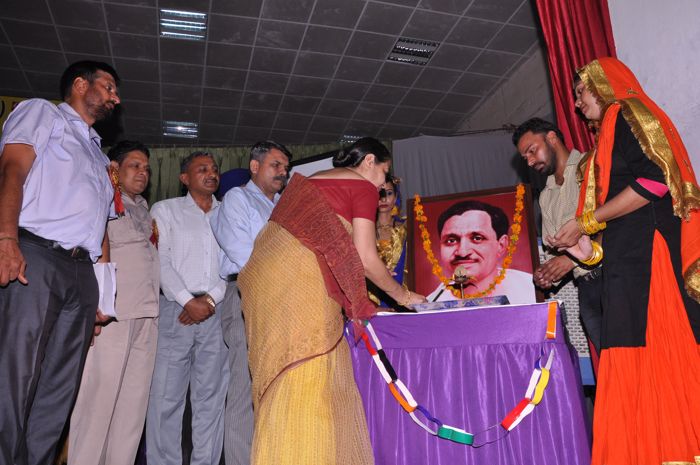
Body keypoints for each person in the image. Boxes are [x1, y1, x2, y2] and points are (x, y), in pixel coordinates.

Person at [548, 57, 700, 465]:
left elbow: (654, 180)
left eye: (581, 92)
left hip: (650, 263)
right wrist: (582, 249)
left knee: (657, 352)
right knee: (631, 355)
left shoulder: (627, 113)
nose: (577, 103)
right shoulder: (604, 141)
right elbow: (612, 229)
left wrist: (586, 222)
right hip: (626, 264)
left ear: (602, 84)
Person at [237, 137, 425, 465]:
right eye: (384, 173)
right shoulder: (361, 186)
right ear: (369, 161)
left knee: (284, 374)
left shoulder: (312, 181)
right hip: (300, 278)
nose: (382, 185)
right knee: (311, 370)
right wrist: (404, 296)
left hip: (262, 282)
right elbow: (365, 259)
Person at [0, 60, 119, 465]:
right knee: (15, 376)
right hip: (36, 256)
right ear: (80, 85)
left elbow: (101, 228)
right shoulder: (42, 113)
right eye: (108, 87)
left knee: (59, 389)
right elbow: (12, 171)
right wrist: (6, 239)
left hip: (81, 273)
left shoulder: (98, 155)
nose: (115, 97)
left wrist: (103, 295)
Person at [67, 140, 159, 465]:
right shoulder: (102, 199)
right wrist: (93, 307)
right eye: (135, 165)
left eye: (146, 168)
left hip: (147, 315)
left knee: (132, 410)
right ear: (115, 169)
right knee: (98, 403)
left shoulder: (144, 209)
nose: (143, 173)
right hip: (112, 316)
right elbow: (88, 255)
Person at [210, 140, 292, 465]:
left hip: (284, 300)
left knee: (275, 389)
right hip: (247, 294)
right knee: (244, 391)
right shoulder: (238, 198)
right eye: (276, 165)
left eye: (286, 168)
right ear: (255, 166)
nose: (282, 172)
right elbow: (243, 255)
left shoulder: (285, 207)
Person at [146, 152, 229, 465]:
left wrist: (209, 301)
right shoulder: (165, 209)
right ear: (184, 178)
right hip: (175, 311)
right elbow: (160, 260)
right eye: (202, 169)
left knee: (210, 399)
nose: (211, 173)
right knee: (166, 398)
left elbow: (233, 262)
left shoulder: (227, 213)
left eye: (214, 168)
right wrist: (187, 301)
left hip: (216, 310)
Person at [513, 118, 603, 354]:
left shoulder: (592, 165)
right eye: (525, 158)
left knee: (639, 358)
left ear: (552, 138)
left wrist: (571, 260)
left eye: (532, 151)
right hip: (587, 289)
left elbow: (614, 222)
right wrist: (548, 274)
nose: (530, 161)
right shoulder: (546, 196)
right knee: (611, 365)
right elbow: (556, 252)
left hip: (615, 277)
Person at [426, 200, 536, 304]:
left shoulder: (530, 288)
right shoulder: (433, 301)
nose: (462, 252)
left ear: (501, 245)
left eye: (477, 238)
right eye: (451, 241)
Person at [370, 175, 408, 307]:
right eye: (379, 193)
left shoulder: (407, 227)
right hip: (372, 299)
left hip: (403, 297)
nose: (384, 198)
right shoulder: (362, 231)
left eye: (389, 193)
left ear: (396, 197)